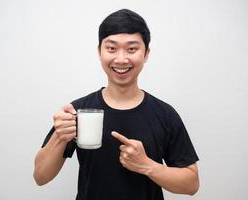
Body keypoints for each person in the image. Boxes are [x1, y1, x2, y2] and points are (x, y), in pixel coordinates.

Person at [33, 8, 200, 200]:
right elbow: (40, 176)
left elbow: (191, 184)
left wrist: (147, 165)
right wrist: (60, 137)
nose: (121, 59)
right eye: (112, 48)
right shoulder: (77, 112)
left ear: (146, 54)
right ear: (99, 52)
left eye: (132, 49)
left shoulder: (165, 114)